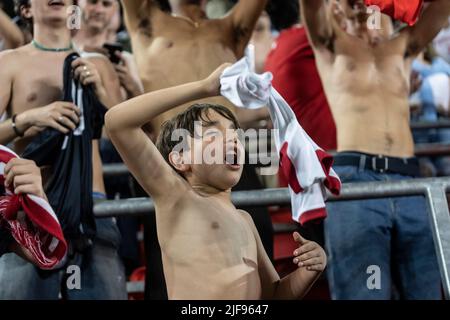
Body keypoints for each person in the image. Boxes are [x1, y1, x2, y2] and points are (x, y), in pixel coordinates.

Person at [105, 64, 327, 299]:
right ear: (180, 158)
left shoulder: (245, 220)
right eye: (212, 134)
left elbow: (273, 294)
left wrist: (308, 271)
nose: (231, 140)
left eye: (234, 135)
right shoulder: (176, 198)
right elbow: (117, 122)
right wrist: (204, 87)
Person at [122, 0, 274, 299]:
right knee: (164, 264)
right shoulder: (147, 19)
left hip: (228, 159)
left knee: (256, 241)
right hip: (172, 159)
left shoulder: (230, 28)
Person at [301, 0, 450, 299]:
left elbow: (442, 7)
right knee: (363, 293)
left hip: (411, 182)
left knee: (427, 293)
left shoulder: (403, 46)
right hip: (355, 181)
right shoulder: (331, 44)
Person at [0, 0, 126, 299]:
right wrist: (29, 118)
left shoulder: (99, 64)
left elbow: (126, 139)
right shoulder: (8, 62)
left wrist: (101, 93)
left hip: (92, 206)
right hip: (31, 207)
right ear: (26, 9)